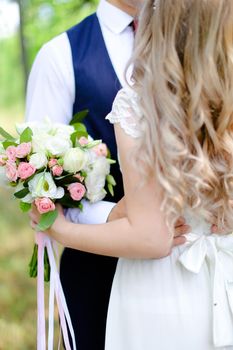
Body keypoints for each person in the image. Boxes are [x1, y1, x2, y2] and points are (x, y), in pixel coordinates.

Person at [30, 0, 233, 349]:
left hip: (188, 274)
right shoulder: (59, 55)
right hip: (96, 268)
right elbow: (36, 178)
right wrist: (111, 212)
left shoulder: (139, 98)